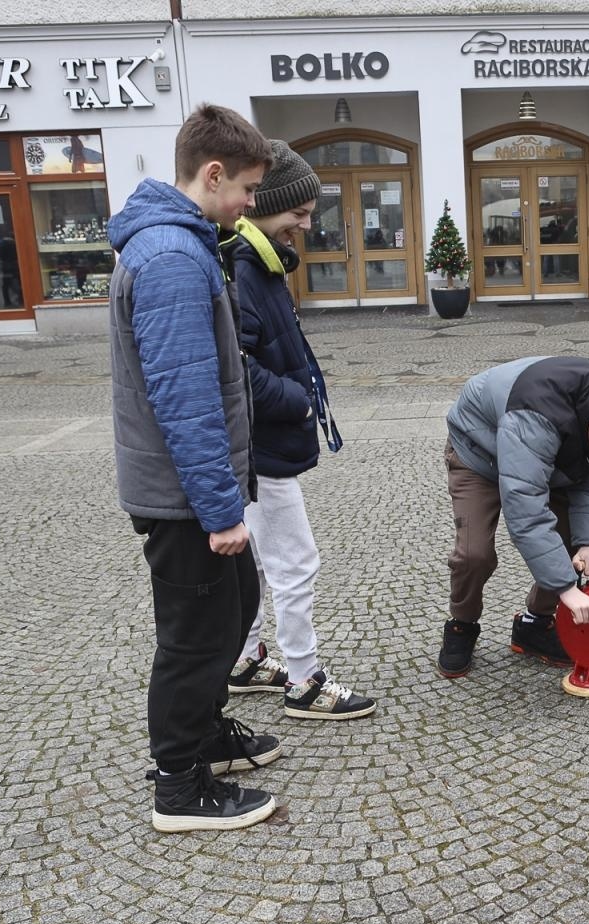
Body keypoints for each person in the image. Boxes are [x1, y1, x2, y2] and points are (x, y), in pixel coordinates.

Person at [109, 104, 282, 833]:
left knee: (233, 608)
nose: (249, 206)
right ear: (212, 175)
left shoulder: (178, 244)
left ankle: (207, 734)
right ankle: (178, 787)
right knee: (195, 638)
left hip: (190, 491)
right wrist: (219, 512)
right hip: (182, 498)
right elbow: (184, 395)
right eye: (245, 188)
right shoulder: (173, 258)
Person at [221, 140, 376, 722]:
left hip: (263, 444)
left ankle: (244, 659)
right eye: (299, 213)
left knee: (263, 560)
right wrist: (297, 398)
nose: (308, 225)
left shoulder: (260, 264)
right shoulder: (244, 269)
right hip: (262, 449)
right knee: (295, 560)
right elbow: (238, 370)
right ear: (265, 205)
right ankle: (305, 681)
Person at [437, 357, 589, 677]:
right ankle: (462, 624)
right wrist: (569, 590)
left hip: (549, 457)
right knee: (474, 554)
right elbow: (525, 511)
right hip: (479, 453)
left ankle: (535, 624)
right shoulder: (537, 415)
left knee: (568, 541)